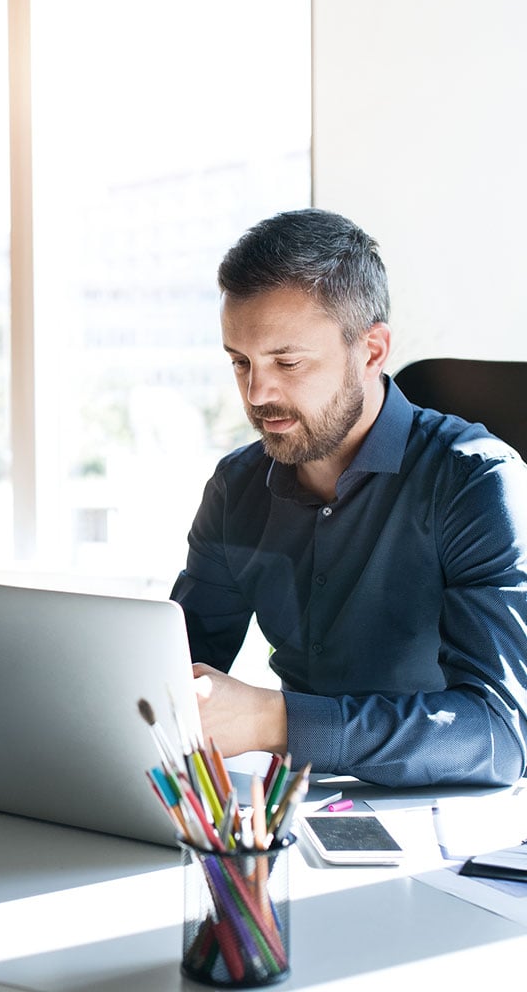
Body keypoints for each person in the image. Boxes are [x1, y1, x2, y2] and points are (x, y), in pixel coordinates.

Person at [172, 208, 527, 787]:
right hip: (292, 808)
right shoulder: (236, 485)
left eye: (288, 361)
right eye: (241, 363)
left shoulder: (477, 481)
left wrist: (277, 720)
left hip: (442, 818)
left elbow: (499, 735)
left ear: (371, 351)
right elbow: (171, 666)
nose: (259, 393)